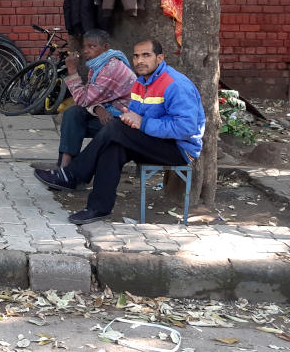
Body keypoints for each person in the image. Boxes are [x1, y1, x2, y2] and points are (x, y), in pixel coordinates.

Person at [33, 39, 205, 224]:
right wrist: (130, 119)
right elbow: (136, 118)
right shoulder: (140, 82)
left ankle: (73, 174)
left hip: (178, 149)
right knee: (114, 144)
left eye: (146, 55)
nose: (140, 60)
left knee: (115, 129)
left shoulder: (175, 84)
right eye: (136, 56)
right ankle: (98, 208)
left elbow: (186, 129)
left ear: (160, 58)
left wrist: (143, 123)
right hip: (153, 141)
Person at [32, 29, 135, 170]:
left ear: (105, 48)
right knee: (73, 114)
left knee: (75, 120)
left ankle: (66, 169)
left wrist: (72, 70)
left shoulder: (111, 68)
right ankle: (64, 166)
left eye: (92, 46)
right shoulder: (99, 64)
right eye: (85, 46)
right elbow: (88, 97)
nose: (86, 51)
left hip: (123, 122)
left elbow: (83, 100)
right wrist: (98, 109)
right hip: (109, 114)